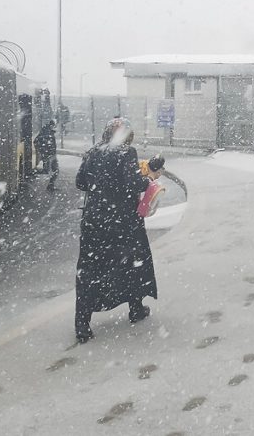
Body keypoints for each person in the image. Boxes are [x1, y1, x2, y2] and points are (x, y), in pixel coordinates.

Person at [73, 118, 162, 343]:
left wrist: (101, 185)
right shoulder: (126, 153)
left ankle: (82, 324)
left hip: (94, 223)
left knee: (90, 270)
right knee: (132, 263)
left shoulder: (93, 152)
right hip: (122, 223)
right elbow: (132, 184)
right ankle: (135, 309)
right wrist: (149, 178)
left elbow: (81, 182)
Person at [33, 120, 59, 191]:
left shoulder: (46, 131)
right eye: (54, 126)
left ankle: (50, 185)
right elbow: (36, 141)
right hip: (49, 154)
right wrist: (43, 151)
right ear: (51, 125)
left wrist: (41, 151)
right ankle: (50, 185)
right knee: (54, 170)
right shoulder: (46, 132)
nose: (54, 127)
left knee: (53, 170)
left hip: (50, 154)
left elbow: (36, 141)